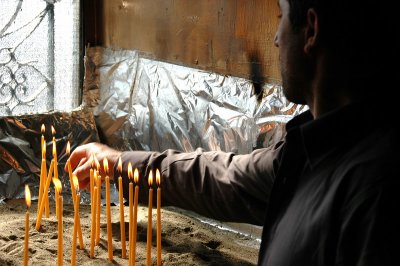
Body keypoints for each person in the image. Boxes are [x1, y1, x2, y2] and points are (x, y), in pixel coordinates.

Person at [67, 0, 399, 264]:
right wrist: (121, 163)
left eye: (280, 16)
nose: (276, 37)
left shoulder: (376, 189)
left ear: (310, 30)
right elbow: (222, 178)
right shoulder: (311, 151)